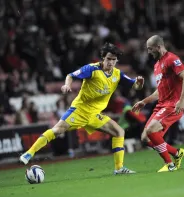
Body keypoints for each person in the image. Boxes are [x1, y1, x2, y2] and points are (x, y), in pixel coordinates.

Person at [20, 43, 144, 174]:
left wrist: (139, 84)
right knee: (57, 130)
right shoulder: (92, 69)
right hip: (79, 110)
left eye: (114, 60)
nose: (111, 62)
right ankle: (29, 153)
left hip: (94, 114)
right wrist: (67, 85)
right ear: (103, 58)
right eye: (108, 59)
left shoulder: (117, 74)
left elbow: (135, 86)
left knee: (119, 132)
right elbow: (70, 75)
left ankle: (119, 169)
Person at [132, 35, 184, 172]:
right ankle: (177, 153)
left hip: (172, 105)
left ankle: (170, 164)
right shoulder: (157, 65)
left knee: (151, 130)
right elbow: (159, 92)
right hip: (161, 105)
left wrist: (182, 100)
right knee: (145, 138)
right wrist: (144, 101)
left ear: (158, 47)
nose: (148, 52)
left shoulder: (172, 59)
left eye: (150, 49)